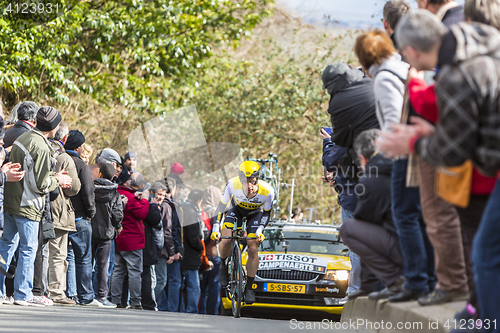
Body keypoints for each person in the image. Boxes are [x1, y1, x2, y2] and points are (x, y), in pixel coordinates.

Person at [377, 8, 500, 330]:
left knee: (486, 255)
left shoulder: (455, 75)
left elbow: (454, 154)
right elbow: (474, 126)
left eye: (405, 56)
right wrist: (433, 134)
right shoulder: (483, 41)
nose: (408, 64)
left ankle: (487, 322)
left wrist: (415, 144)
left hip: (491, 172)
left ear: (413, 50)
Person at [0, 106, 72, 306]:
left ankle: (1, 291)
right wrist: (57, 179)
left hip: (11, 200)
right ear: (55, 126)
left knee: (6, 245)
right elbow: (40, 184)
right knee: (28, 249)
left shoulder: (23, 138)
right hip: (28, 204)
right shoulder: (40, 146)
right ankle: (23, 293)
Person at [320, 62, 380, 299]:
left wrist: (328, 141)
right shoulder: (371, 105)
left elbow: (332, 158)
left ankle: (356, 290)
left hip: (355, 193)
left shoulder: (345, 117)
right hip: (374, 185)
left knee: (356, 243)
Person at [340, 129, 405, 301]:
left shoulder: (371, 180)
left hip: (402, 250)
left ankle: (394, 280)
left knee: (349, 228)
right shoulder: (404, 168)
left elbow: (366, 225)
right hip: (426, 250)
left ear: (362, 158)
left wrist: (368, 286)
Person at [211, 161, 275, 304]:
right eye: (244, 182)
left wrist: (259, 230)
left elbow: (266, 214)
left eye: (251, 182)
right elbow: (221, 207)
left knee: (253, 248)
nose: (248, 186)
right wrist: (216, 228)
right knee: (226, 240)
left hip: (256, 215)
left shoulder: (268, 190)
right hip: (236, 211)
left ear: (256, 179)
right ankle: (223, 264)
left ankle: (249, 288)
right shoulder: (232, 184)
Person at [47, 123, 81, 306]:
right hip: (59, 210)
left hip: (39, 207)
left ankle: (40, 289)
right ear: (65, 138)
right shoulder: (64, 158)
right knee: (59, 254)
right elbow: (73, 188)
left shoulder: (43, 149)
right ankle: (56, 292)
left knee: (41, 252)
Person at [65, 129, 100, 306]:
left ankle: (69, 293)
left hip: (62, 217)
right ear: (79, 147)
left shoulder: (60, 160)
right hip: (80, 217)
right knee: (84, 258)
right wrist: (90, 213)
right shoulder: (81, 165)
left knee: (67, 257)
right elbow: (88, 192)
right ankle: (85, 296)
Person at [111, 173, 150, 309]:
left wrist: (137, 198)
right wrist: (144, 200)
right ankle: (135, 302)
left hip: (119, 238)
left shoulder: (117, 193)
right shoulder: (129, 196)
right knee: (134, 272)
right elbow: (142, 213)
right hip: (133, 239)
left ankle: (115, 300)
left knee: (118, 271)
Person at [91, 163, 123, 308]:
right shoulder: (115, 193)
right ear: (112, 176)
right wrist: (118, 227)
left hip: (91, 230)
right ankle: (102, 296)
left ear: (100, 174)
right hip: (107, 233)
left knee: (86, 262)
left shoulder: (91, 188)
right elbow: (117, 215)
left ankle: (85, 294)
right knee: (103, 266)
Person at [179, 190, 204, 314]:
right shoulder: (193, 212)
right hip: (191, 254)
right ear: (199, 200)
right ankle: (192, 310)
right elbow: (193, 236)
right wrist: (200, 247)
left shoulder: (182, 207)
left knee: (180, 284)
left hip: (181, 252)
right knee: (194, 287)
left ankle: (181, 309)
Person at [199, 185, 223, 315]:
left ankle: (201, 311)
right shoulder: (218, 212)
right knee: (214, 286)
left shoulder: (202, 210)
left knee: (202, 286)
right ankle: (212, 312)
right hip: (215, 253)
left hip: (203, 253)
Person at [152, 181, 175, 310]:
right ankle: (153, 304)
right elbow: (167, 230)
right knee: (160, 279)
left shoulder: (160, 206)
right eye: (158, 194)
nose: (160, 197)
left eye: (162, 194)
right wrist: (171, 251)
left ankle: (153, 303)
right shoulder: (166, 207)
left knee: (155, 278)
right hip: (160, 249)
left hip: (156, 248)